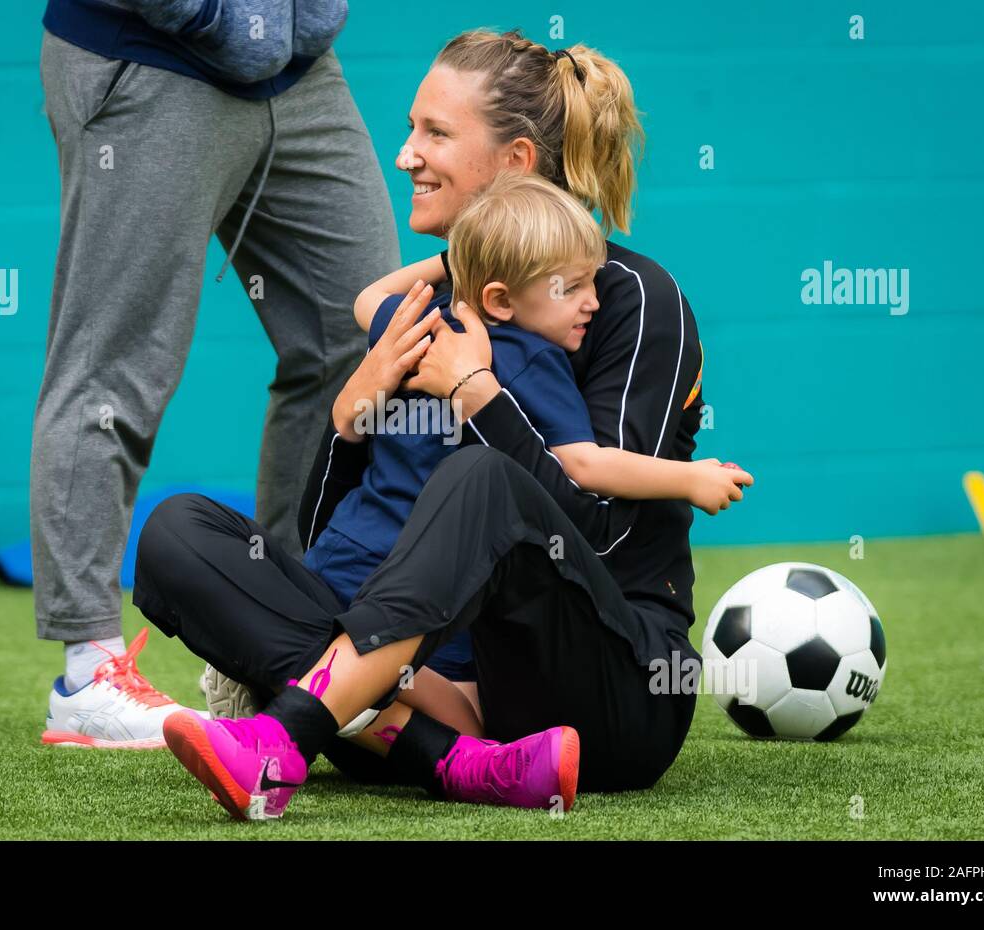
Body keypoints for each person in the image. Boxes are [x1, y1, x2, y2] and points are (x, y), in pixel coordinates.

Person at [135, 29, 752, 818]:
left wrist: (477, 396)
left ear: (518, 163)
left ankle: (290, 730)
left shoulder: (630, 299)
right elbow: (336, 537)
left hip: (604, 698)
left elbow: (600, 535)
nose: (405, 156)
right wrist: (353, 406)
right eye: (410, 129)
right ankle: (457, 763)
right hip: (416, 683)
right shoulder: (422, 310)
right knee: (177, 533)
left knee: (480, 476)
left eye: (435, 134)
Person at [31, 0, 399, 748]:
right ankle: (86, 675)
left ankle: (285, 646)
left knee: (367, 339)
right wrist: (207, 15)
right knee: (113, 367)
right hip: (150, 56)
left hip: (298, 74)